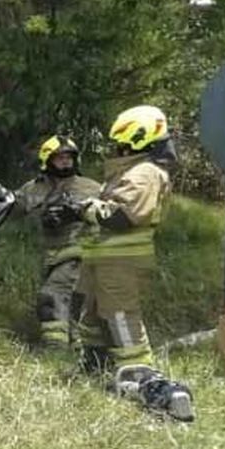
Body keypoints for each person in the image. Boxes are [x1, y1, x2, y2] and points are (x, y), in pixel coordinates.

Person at [63, 105, 193, 421]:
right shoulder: (130, 170)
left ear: (138, 138)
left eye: (122, 142)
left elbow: (122, 217)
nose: (117, 147)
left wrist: (85, 209)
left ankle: (146, 380)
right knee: (94, 318)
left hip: (121, 263)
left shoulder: (144, 172)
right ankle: (97, 368)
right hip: (105, 261)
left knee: (121, 319)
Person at [14, 135, 101, 348]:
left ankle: (55, 349)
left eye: (69, 157)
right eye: (59, 157)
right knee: (71, 307)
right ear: (47, 160)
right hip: (52, 257)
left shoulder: (91, 187)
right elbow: (13, 207)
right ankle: (78, 348)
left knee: (51, 296)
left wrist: (77, 213)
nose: (65, 161)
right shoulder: (34, 188)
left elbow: (111, 215)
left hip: (80, 254)